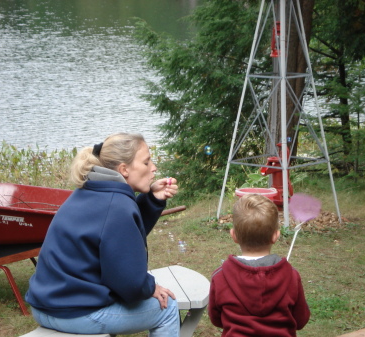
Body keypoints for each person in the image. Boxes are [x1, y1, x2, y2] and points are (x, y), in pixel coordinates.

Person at [25, 132, 180, 336]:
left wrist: (152, 198)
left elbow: (121, 232)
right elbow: (130, 284)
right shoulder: (117, 205)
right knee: (167, 309)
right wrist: (149, 286)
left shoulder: (89, 192)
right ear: (124, 169)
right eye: (146, 162)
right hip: (74, 314)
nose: (153, 168)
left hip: (44, 306)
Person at [208, 194, 310, 337]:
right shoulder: (291, 276)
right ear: (275, 235)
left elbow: (216, 319)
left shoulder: (220, 277)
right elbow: (301, 320)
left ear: (233, 235)